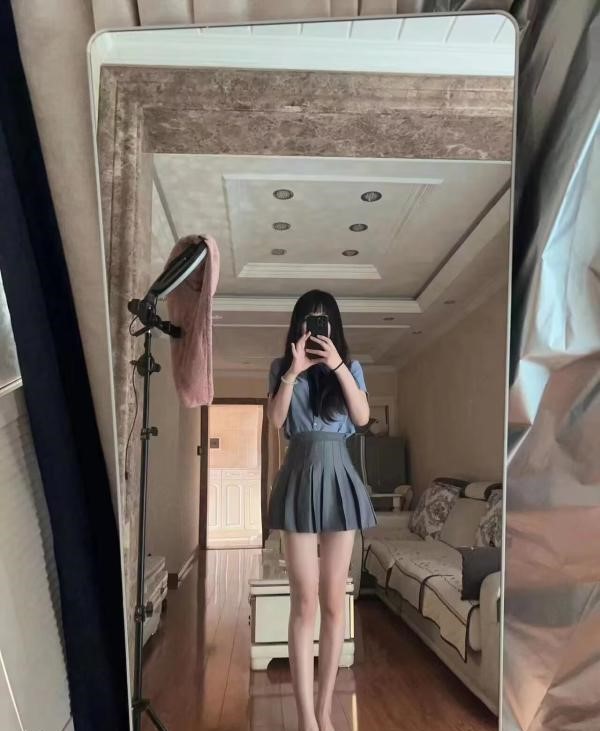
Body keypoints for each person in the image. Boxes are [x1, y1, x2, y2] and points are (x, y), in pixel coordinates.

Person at [266, 290, 377, 731]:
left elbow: (363, 418)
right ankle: (305, 718)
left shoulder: (351, 368)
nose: (314, 328)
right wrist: (293, 372)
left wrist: (336, 366)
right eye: (307, 320)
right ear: (298, 325)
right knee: (304, 601)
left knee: (333, 602)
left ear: (333, 326)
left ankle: (326, 710)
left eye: (322, 320)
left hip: (338, 479)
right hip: (297, 476)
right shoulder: (281, 368)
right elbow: (276, 420)